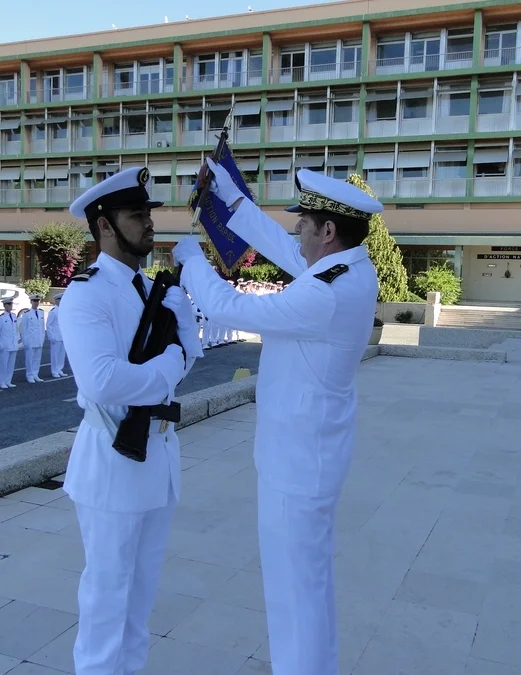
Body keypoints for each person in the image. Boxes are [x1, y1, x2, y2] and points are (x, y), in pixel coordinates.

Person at [172, 160, 381, 675]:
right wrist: (229, 198)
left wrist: (192, 259)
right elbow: (284, 249)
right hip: (310, 454)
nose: (297, 231)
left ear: (328, 231)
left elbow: (228, 309)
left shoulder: (324, 291)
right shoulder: (349, 267)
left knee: (294, 592)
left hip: (297, 463)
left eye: (304, 223)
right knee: (309, 583)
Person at [61, 166, 201, 675]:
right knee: (105, 600)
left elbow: (192, 355)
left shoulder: (152, 288)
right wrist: (167, 366)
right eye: (135, 215)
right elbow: (102, 381)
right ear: (104, 226)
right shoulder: (87, 292)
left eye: (148, 214)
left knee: (140, 603)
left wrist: (174, 358)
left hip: (157, 458)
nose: (148, 223)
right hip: (113, 463)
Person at [0, 298, 19, 389]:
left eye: (11, 304)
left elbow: (16, 330)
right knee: (3, 364)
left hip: (13, 344)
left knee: (11, 364)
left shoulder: (14, 316)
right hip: (5, 344)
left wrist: (17, 340)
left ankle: (8, 381)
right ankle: (2, 381)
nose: (10, 306)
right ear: (4, 306)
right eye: (8, 304)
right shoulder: (1, 318)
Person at [19, 295, 45, 383]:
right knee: (30, 359)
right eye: (34, 301)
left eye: (37, 301)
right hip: (30, 340)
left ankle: (35, 374)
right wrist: (25, 341)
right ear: (31, 302)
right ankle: (30, 375)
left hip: (39, 339)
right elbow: (23, 329)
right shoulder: (26, 314)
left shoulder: (41, 312)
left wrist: (42, 338)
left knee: (37, 358)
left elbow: (42, 327)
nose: (36, 303)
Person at [48, 293, 67, 378]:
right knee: (55, 355)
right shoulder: (53, 311)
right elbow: (49, 325)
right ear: (56, 301)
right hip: (56, 336)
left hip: (63, 336)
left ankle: (59, 369)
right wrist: (51, 336)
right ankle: (54, 371)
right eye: (59, 300)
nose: (61, 301)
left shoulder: (64, 310)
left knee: (61, 355)